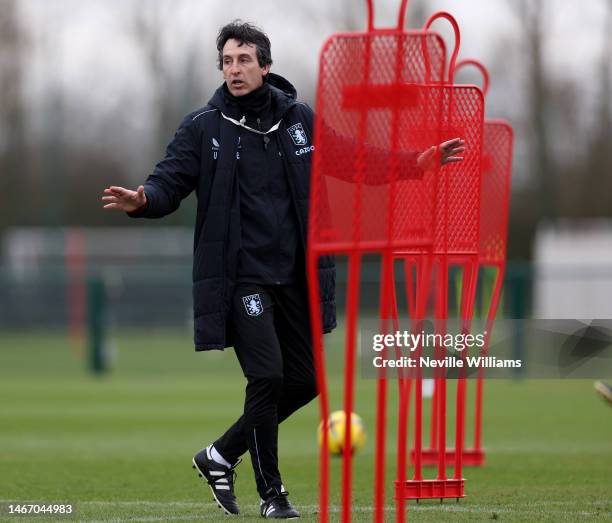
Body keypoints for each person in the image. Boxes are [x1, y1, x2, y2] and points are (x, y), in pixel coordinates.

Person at [101, 20, 465, 519]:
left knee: (307, 379)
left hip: (297, 276)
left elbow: (352, 159)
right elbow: (169, 180)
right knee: (267, 375)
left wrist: (415, 163)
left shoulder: (298, 120)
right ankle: (273, 495)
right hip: (242, 279)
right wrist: (144, 199)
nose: (234, 69)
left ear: (265, 66)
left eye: (244, 59)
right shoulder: (203, 126)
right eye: (227, 60)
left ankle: (220, 454)